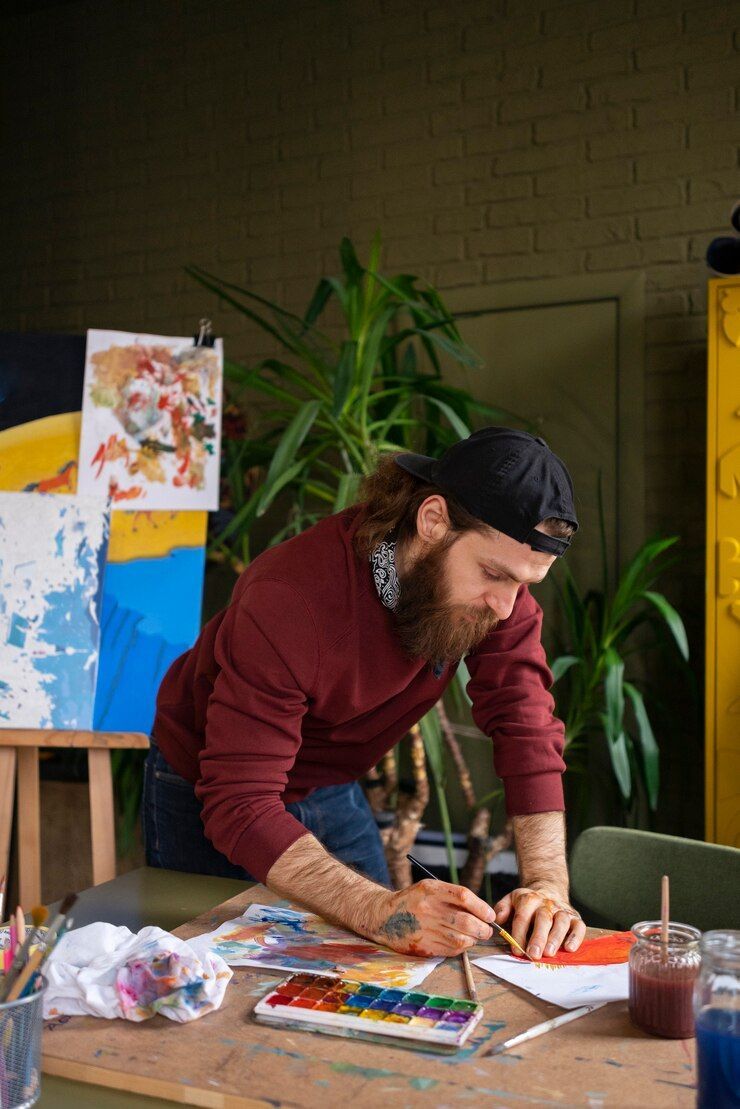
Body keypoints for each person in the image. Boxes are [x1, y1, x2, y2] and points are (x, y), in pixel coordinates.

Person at [145, 427, 587, 960]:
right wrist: (377, 909)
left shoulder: (498, 600)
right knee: (211, 984)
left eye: (524, 584)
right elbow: (240, 801)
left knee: (385, 966)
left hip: (328, 784)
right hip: (207, 784)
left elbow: (526, 725)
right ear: (433, 521)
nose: (505, 606)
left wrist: (546, 884)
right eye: (493, 573)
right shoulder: (291, 600)